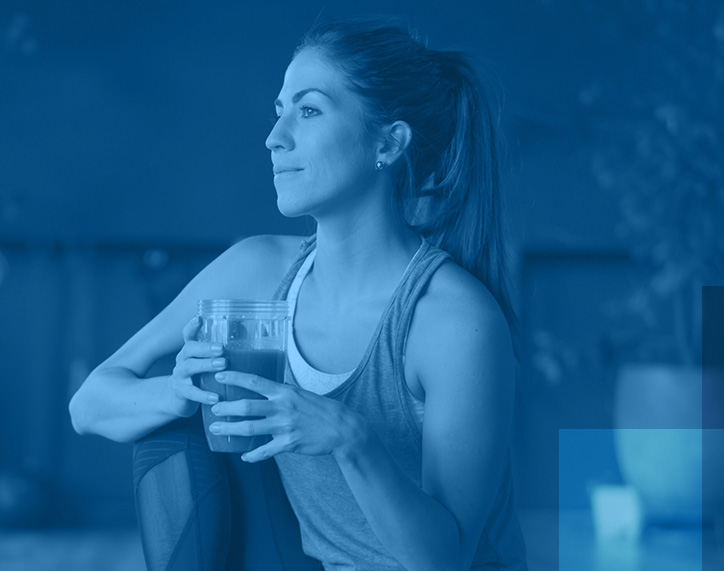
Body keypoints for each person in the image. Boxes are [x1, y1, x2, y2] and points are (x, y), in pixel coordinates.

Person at [69, 15, 528, 571]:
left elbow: (445, 560)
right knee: (165, 438)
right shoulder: (256, 272)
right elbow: (89, 403)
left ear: (388, 141)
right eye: (278, 111)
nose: (274, 137)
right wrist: (180, 392)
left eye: (307, 111)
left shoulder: (453, 322)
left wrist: (348, 439)